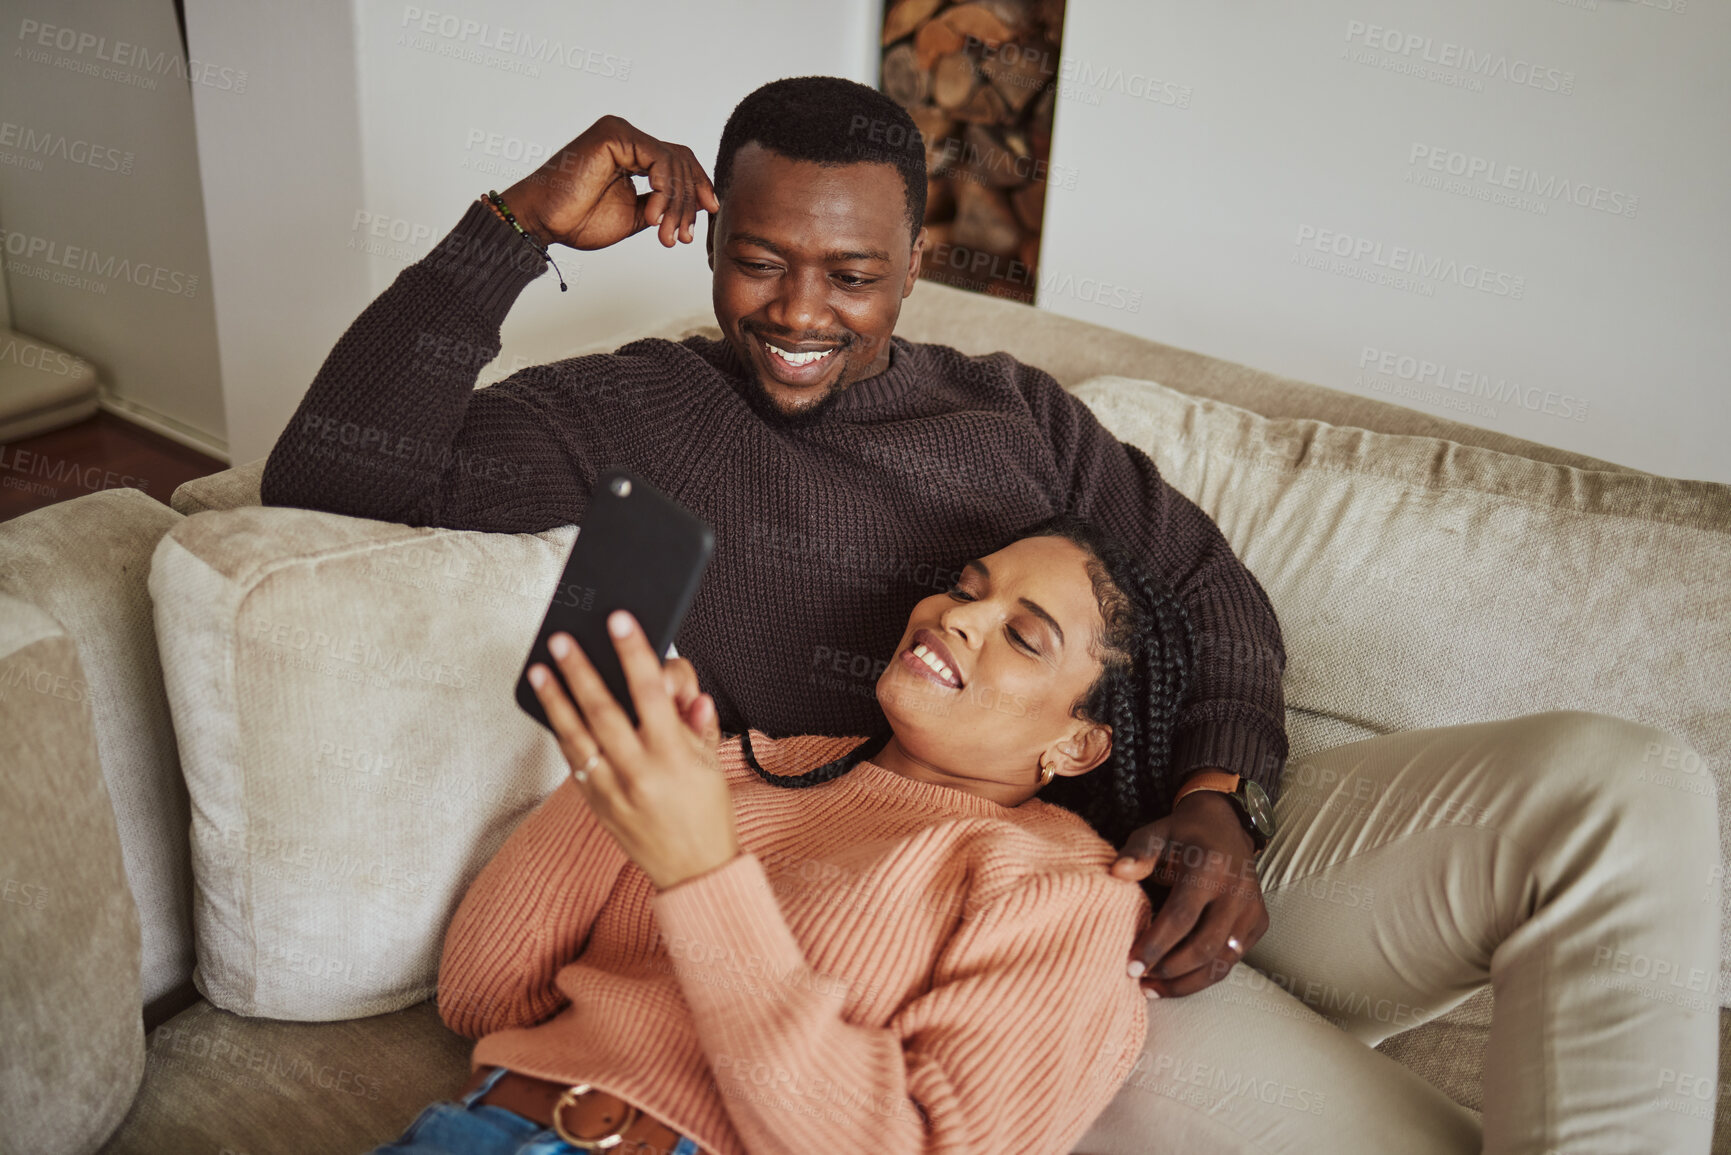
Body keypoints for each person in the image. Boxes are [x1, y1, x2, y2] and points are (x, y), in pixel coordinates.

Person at [260, 76, 1288, 1008]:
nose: (799, 314)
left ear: (916, 266)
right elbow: (325, 480)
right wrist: (514, 226)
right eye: (759, 263)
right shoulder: (634, 410)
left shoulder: (1015, 418)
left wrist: (1222, 804)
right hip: (804, 910)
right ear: (710, 245)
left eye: (852, 275)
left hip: (1065, 901)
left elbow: (1205, 585)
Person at [367, 515, 1189, 1155]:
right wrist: (609, 769)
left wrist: (701, 874)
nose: (960, 615)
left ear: (1077, 743)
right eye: (965, 587)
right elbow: (484, 993)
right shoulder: (735, 765)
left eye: (1022, 634)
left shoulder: (1064, 889)